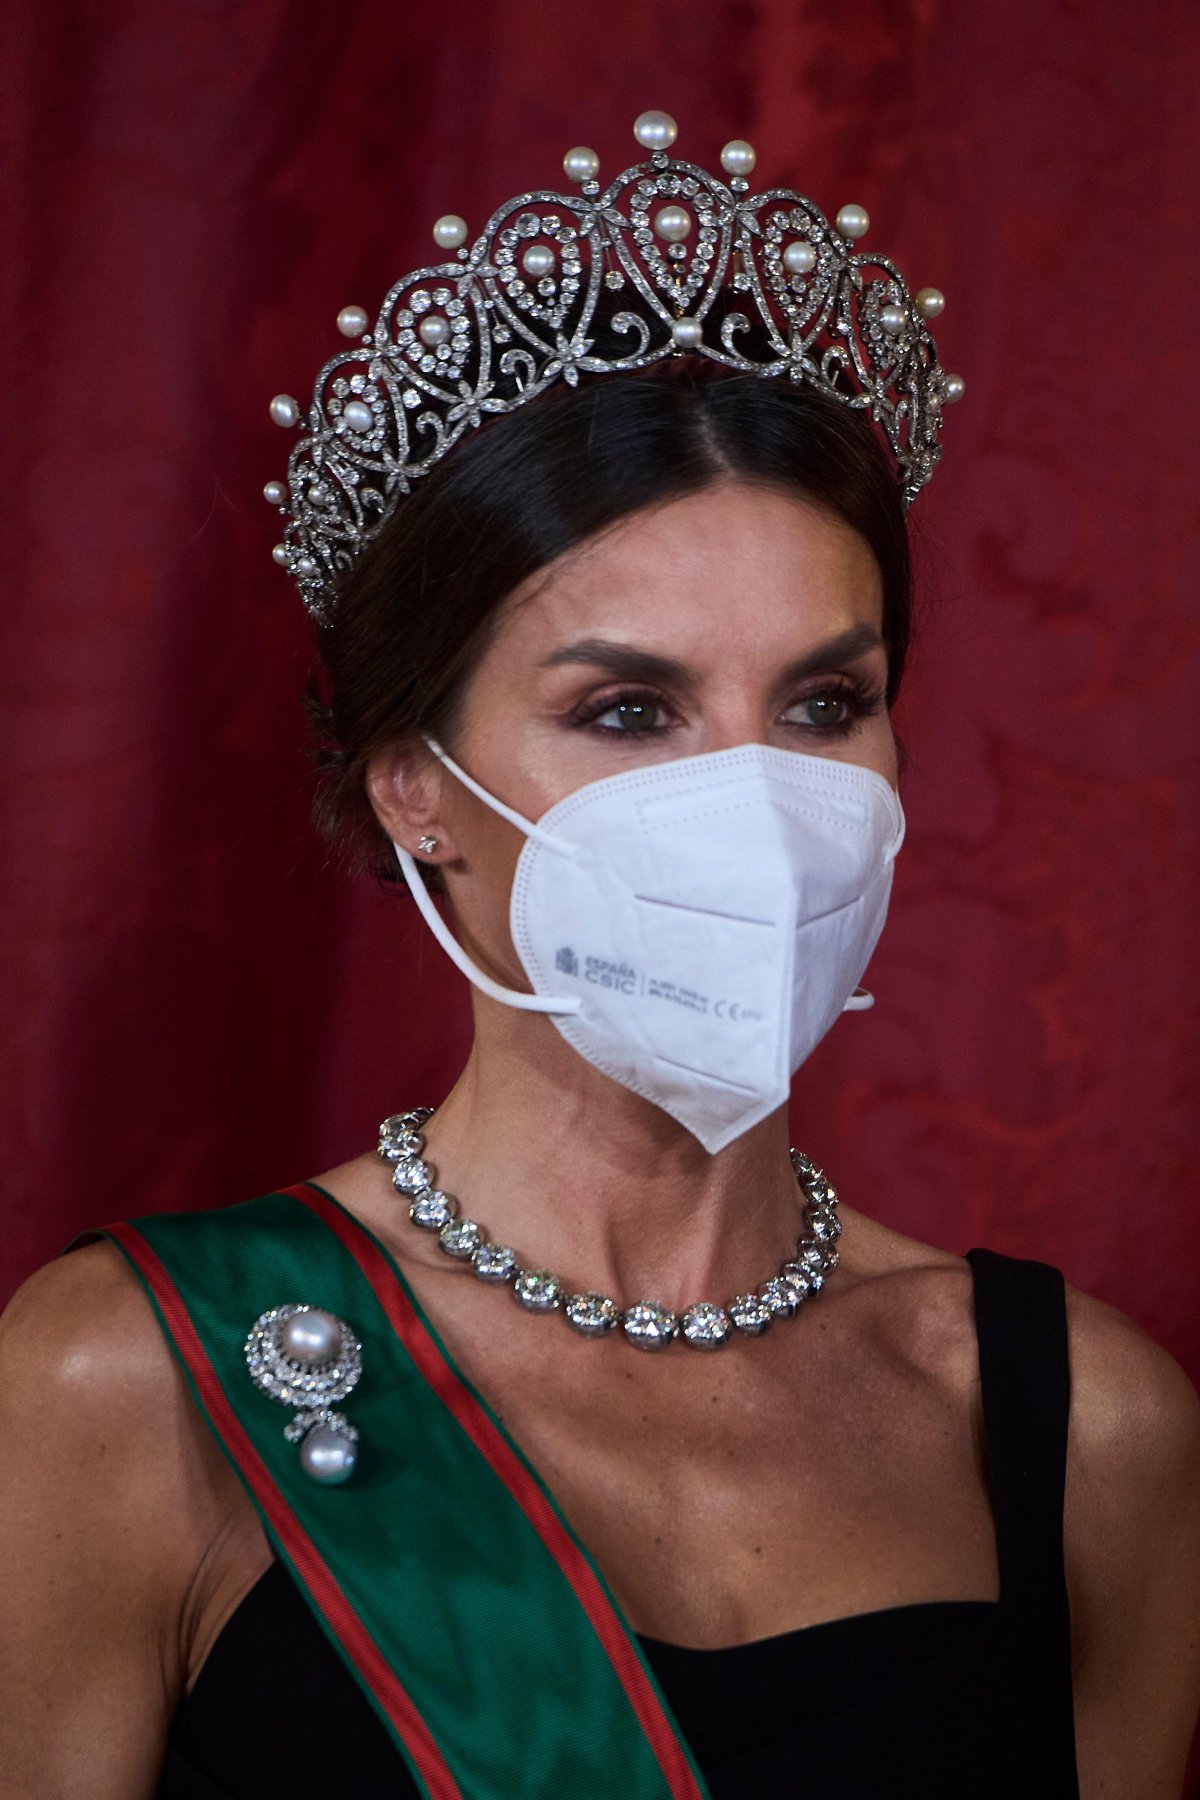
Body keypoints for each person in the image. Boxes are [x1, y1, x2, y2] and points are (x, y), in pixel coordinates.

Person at [2, 113, 1199, 1800]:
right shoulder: (134, 1377)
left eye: (824, 704)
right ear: (420, 788)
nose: (756, 805)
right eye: (629, 712)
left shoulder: (1088, 1426)